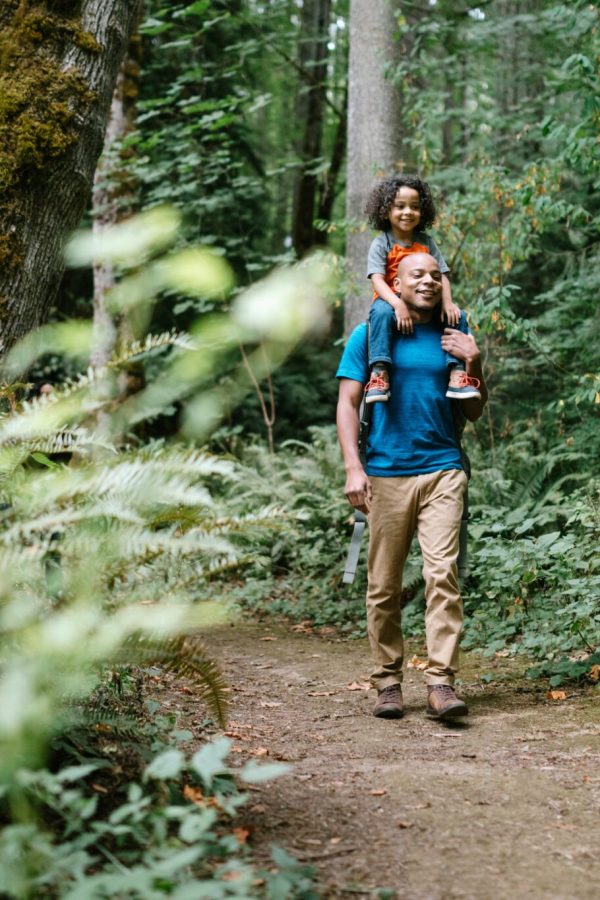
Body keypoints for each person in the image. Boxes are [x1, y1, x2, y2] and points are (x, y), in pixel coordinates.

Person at [336, 253, 488, 721]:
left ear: (441, 283)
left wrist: (475, 360)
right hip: (385, 472)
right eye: (414, 274)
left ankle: (441, 683)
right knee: (383, 584)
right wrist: (352, 468)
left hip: (443, 468)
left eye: (432, 274)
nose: (425, 281)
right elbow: (347, 403)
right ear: (394, 283)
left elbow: (474, 411)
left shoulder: (452, 336)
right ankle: (387, 683)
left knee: (442, 574)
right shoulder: (370, 335)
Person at [363, 174, 481, 404]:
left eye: (414, 207)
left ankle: (457, 373)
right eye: (400, 206)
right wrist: (397, 304)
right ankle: (379, 373)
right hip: (389, 299)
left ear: (422, 212)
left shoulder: (427, 242)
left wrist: (447, 302)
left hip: (426, 297)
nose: (408, 212)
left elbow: (443, 276)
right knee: (380, 313)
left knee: (458, 316)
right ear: (386, 210)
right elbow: (377, 279)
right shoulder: (382, 243)